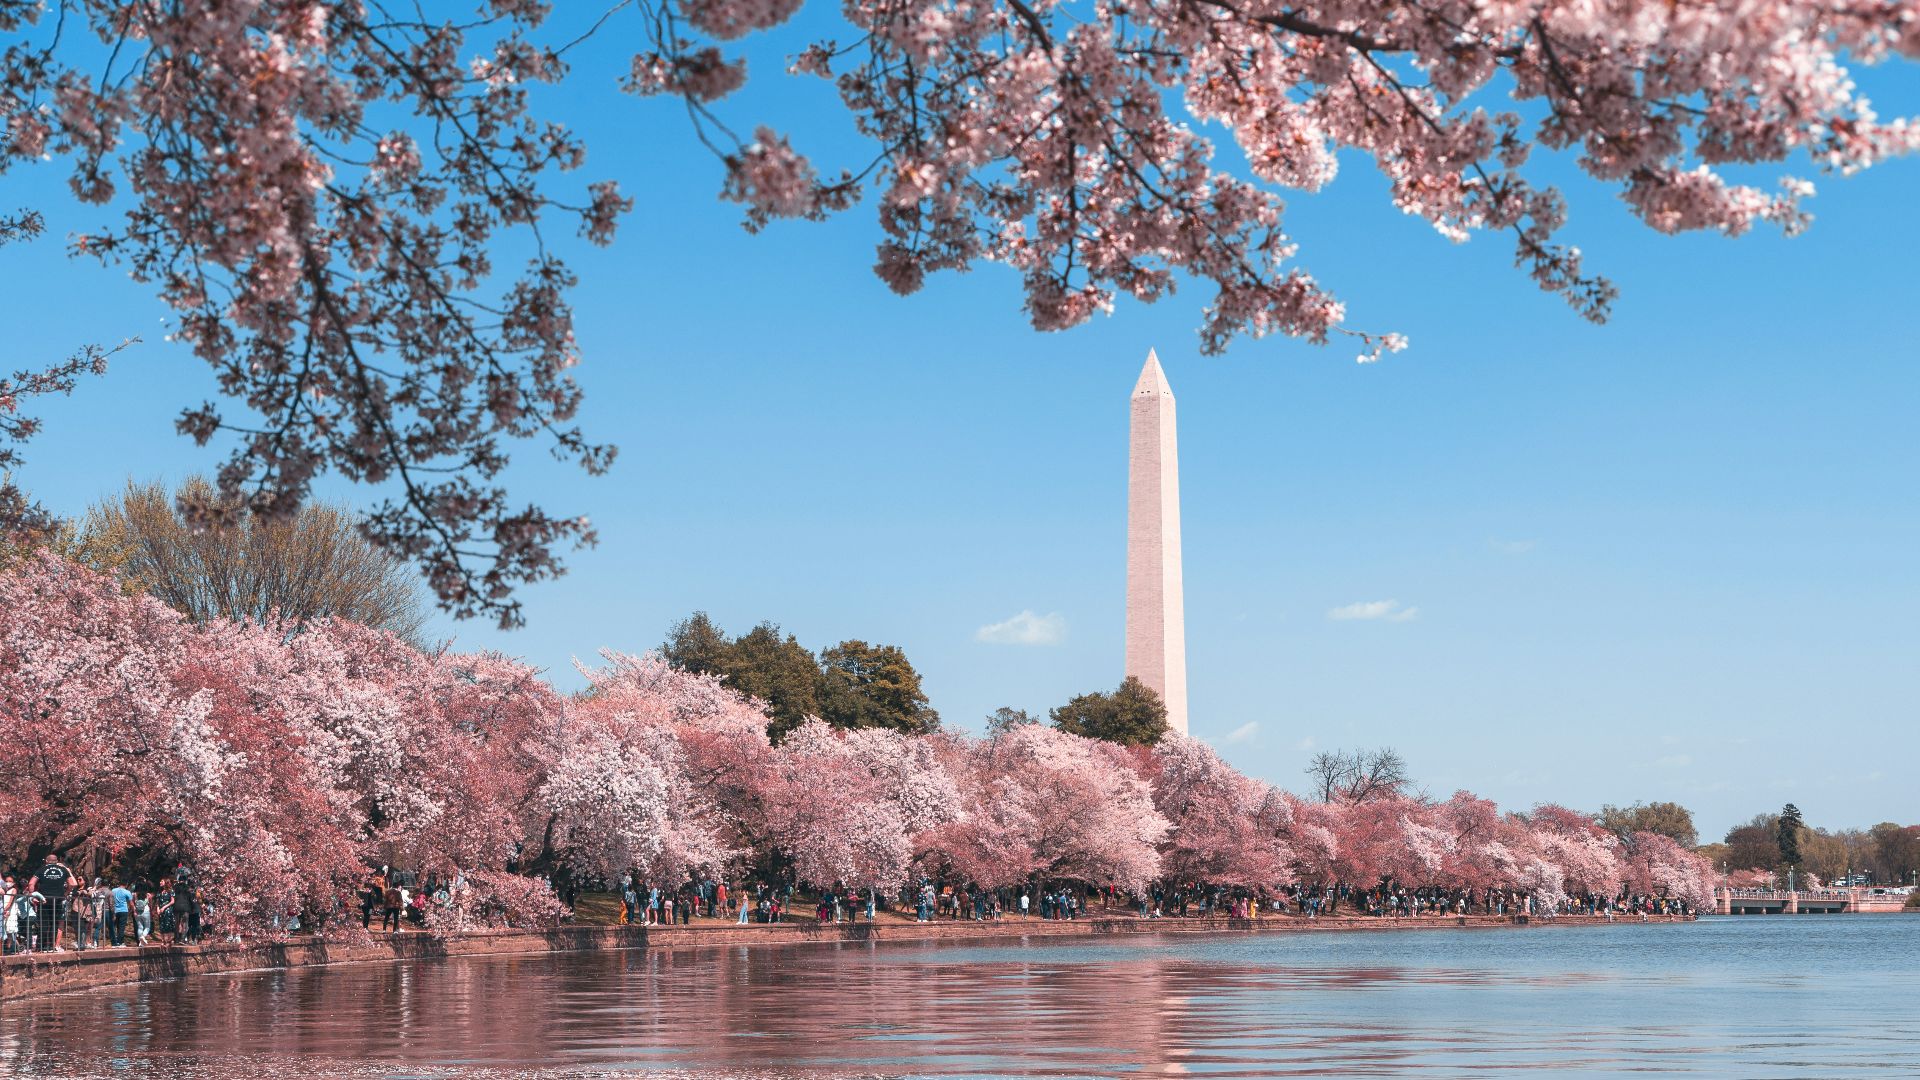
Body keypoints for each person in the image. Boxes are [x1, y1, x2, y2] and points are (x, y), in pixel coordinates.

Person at [31, 853, 73, 952]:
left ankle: (41, 946)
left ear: (46, 861)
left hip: (44, 900)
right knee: (54, 924)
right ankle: (51, 946)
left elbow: (31, 883)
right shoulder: (63, 870)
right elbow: (71, 883)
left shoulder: (41, 869)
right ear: (57, 861)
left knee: (44, 923)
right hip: (58, 900)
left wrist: (33, 895)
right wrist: (65, 893)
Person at [109, 880, 133, 946]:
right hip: (123, 910)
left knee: (114, 926)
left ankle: (115, 941)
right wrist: (131, 910)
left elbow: (110, 899)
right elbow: (131, 903)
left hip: (115, 911)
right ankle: (120, 942)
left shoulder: (113, 890)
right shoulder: (127, 892)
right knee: (121, 927)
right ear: (126, 884)